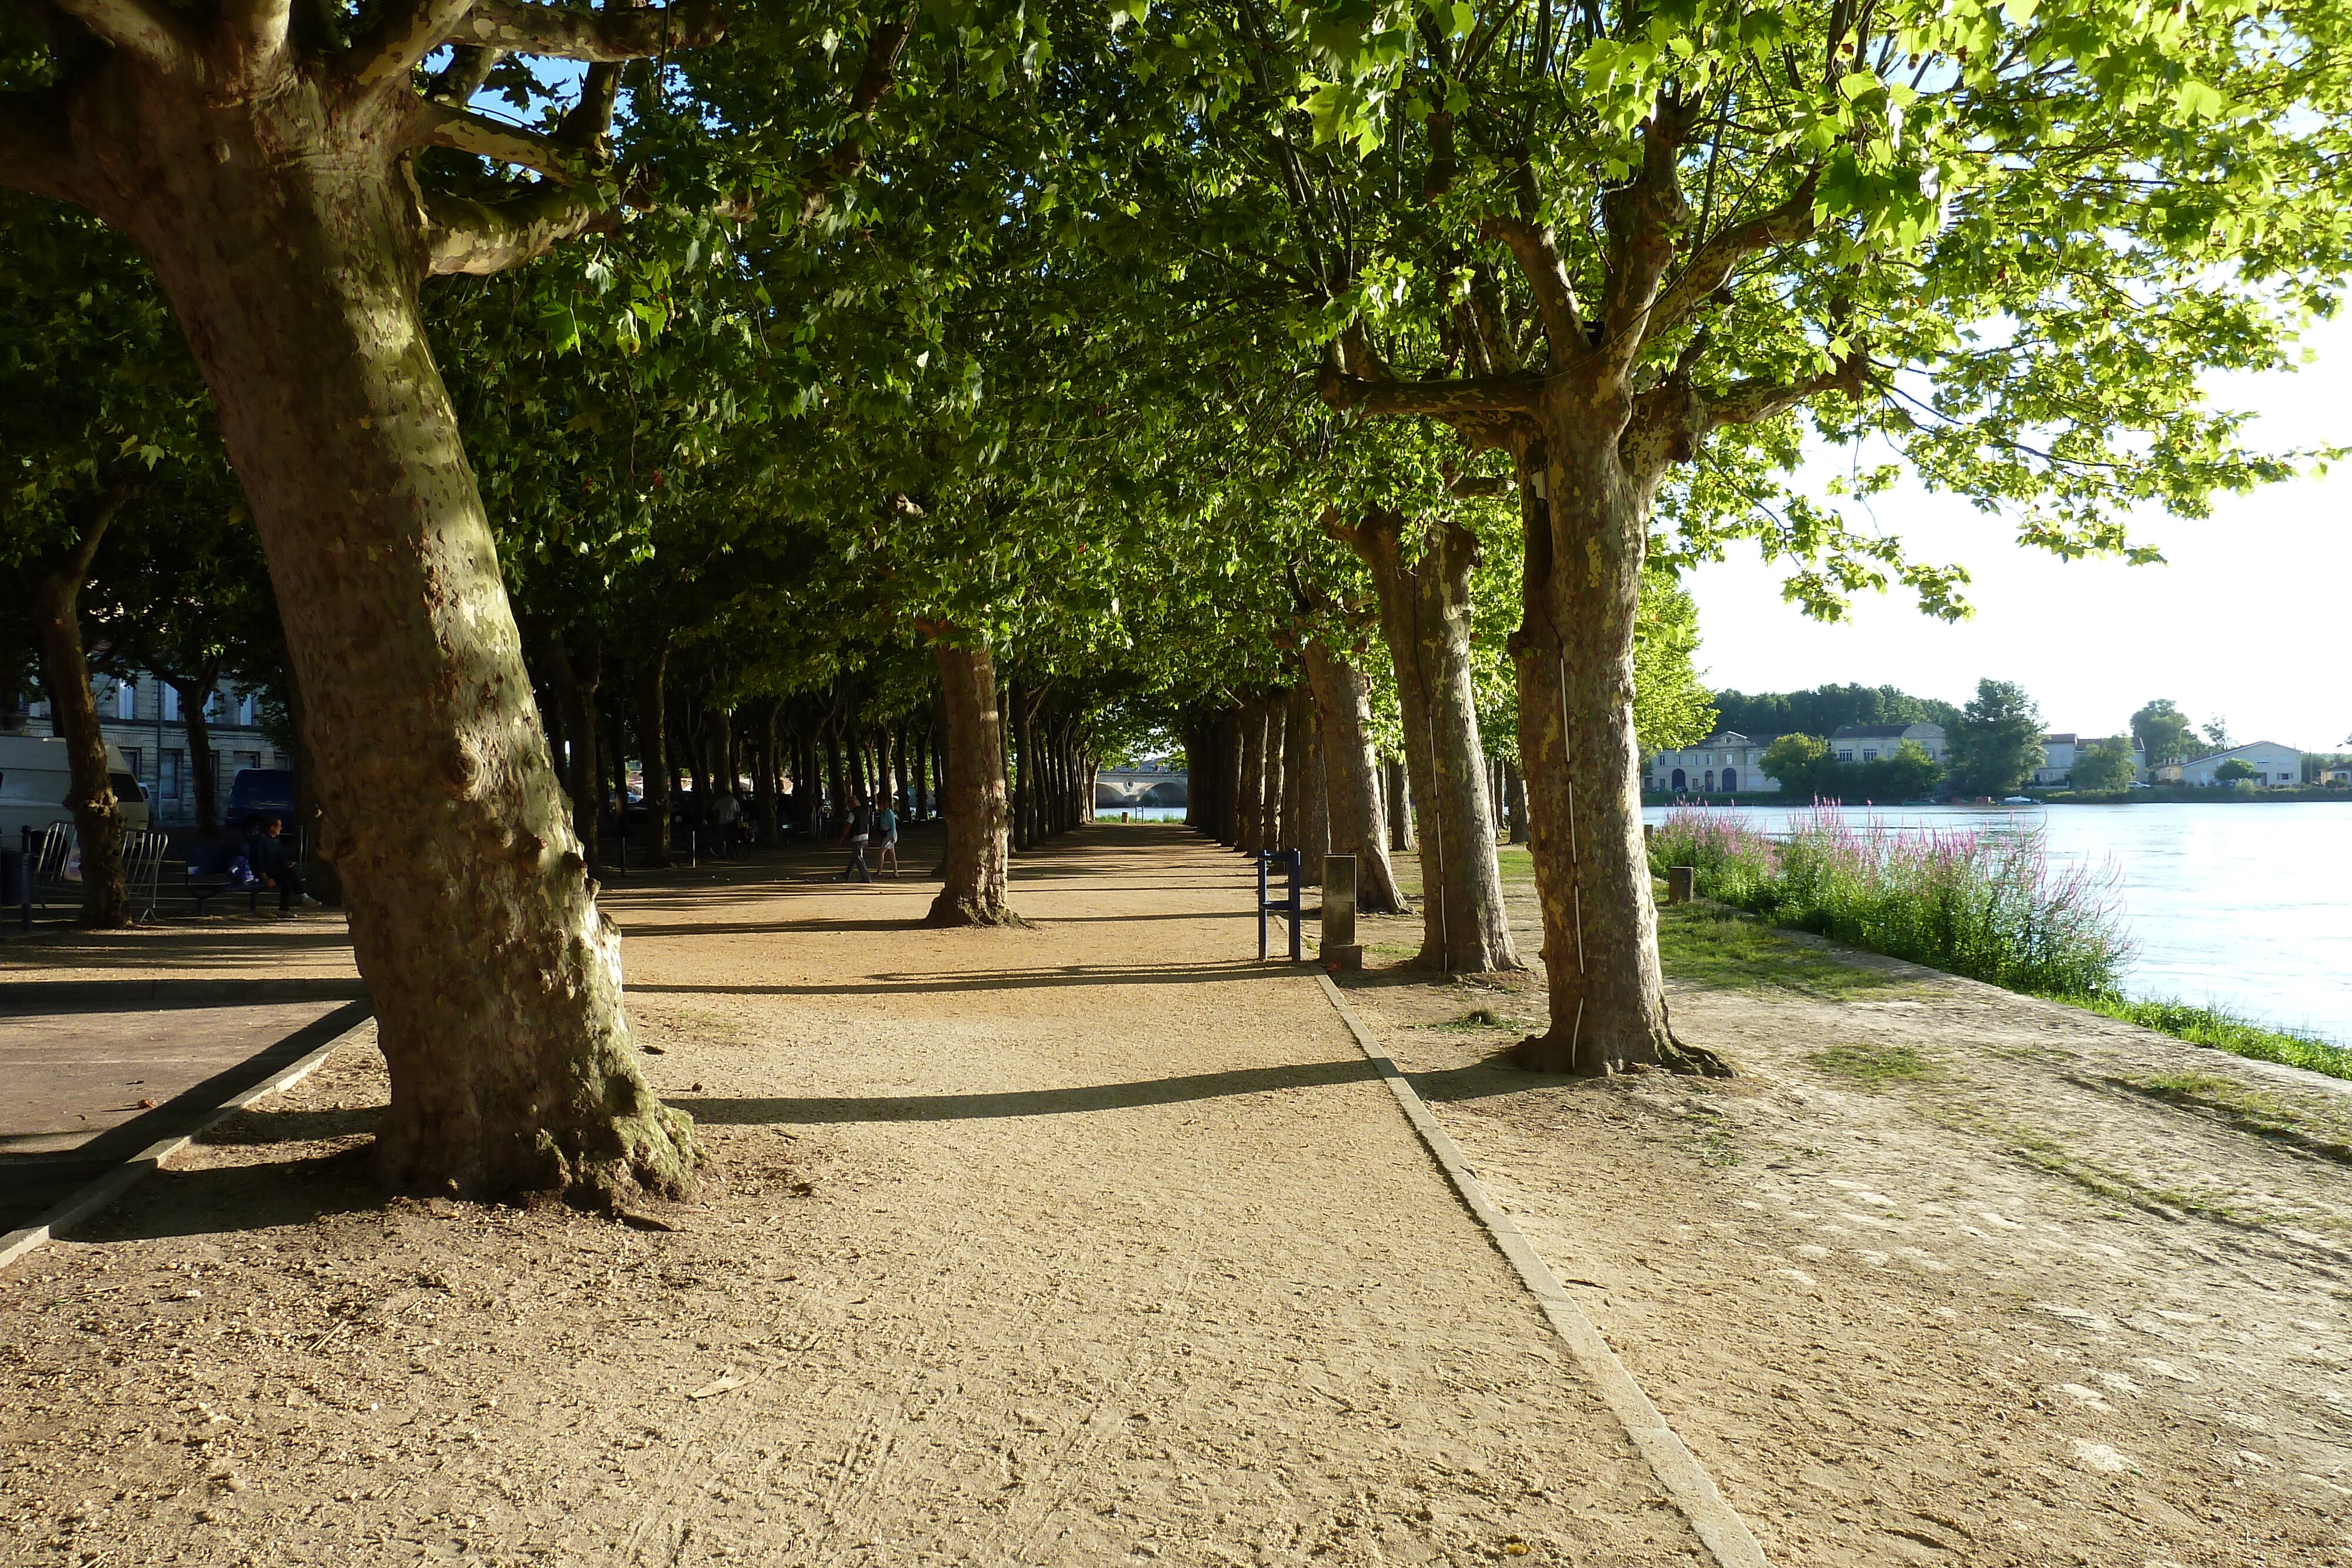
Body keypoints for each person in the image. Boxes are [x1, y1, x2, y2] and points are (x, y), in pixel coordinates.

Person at [243, 814, 319, 915]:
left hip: (275, 870)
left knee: (288, 878)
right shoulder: (260, 839)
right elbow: (257, 860)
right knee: (290, 873)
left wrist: (287, 863)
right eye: (279, 826)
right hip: (263, 872)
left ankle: (284, 910)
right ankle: (303, 896)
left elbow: (280, 856)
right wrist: (265, 878)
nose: (281, 829)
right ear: (272, 827)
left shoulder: (276, 839)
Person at [835, 795, 874, 882]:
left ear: (851, 804)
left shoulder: (852, 813)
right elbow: (867, 825)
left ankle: (866, 878)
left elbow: (848, 826)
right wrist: (867, 836)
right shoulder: (864, 812)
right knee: (855, 857)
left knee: (859, 858)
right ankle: (847, 874)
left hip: (857, 837)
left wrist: (842, 837)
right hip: (865, 836)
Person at [873, 798, 900, 876]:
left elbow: (893, 825)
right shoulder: (883, 813)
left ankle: (879, 871)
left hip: (890, 835)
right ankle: (896, 872)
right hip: (887, 834)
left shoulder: (889, 813)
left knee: (882, 851)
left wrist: (892, 836)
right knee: (892, 854)